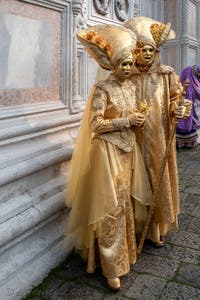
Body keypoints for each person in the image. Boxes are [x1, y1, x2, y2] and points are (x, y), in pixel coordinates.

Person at [65, 24, 152, 290]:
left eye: (129, 64)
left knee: (123, 203)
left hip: (127, 151)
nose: (127, 69)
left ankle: (124, 257)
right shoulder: (102, 90)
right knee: (109, 208)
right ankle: (109, 265)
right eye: (123, 64)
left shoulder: (130, 88)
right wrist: (127, 121)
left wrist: (139, 118)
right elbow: (96, 125)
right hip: (107, 153)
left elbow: (132, 116)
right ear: (112, 65)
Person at [124, 16, 191, 247]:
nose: (146, 54)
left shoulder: (166, 74)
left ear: (156, 51)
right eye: (141, 49)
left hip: (159, 138)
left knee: (156, 178)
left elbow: (175, 98)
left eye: (150, 49)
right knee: (133, 179)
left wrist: (179, 109)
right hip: (131, 137)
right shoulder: (125, 75)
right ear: (134, 51)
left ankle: (155, 228)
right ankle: (134, 227)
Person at [176, 65, 200, 148]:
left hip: (187, 110)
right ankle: (186, 143)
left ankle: (181, 144)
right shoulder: (193, 85)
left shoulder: (180, 85)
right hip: (185, 110)